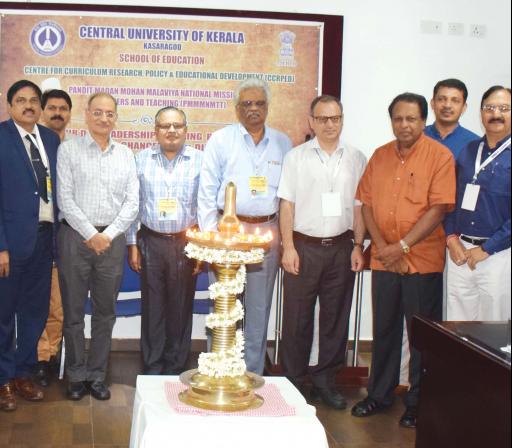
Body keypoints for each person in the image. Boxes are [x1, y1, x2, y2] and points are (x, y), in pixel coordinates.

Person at [352, 92, 455, 429]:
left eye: (411, 119)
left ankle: (417, 402)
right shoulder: (380, 156)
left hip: (422, 261)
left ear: (423, 121)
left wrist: (403, 247)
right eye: (398, 118)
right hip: (384, 260)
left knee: (420, 336)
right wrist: (384, 248)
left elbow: (438, 209)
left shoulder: (440, 156)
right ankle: (378, 395)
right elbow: (366, 203)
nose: (404, 125)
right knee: (384, 330)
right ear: (391, 121)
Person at [197, 79, 292, 375]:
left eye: (259, 103)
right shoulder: (221, 140)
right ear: (237, 109)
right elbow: (207, 190)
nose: (253, 109)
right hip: (228, 232)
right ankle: (217, 367)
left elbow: (289, 195)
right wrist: (212, 239)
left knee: (259, 308)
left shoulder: (282, 142)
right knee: (224, 304)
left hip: (267, 232)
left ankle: (251, 373)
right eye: (247, 104)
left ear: (267, 107)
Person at [277, 95, 367, 409]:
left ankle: (326, 382)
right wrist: (287, 247)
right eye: (323, 118)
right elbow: (286, 205)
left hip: (341, 248)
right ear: (312, 121)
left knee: (335, 319)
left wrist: (358, 245)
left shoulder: (356, 157)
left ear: (342, 119)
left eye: (336, 118)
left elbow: (359, 207)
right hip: (304, 247)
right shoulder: (296, 158)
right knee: (296, 319)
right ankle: (293, 382)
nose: (330, 124)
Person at [0, 80, 60, 411]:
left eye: (34, 101)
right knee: (2, 314)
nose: (28, 106)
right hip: (9, 245)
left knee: (34, 312)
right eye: (21, 100)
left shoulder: (51, 139)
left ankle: (24, 372)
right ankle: (1, 380)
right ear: (9, 106)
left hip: (43, 240)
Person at [57, 92, 138, 401]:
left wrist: (110, 234)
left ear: (116, 118)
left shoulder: (126, 154)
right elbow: (65, 198)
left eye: (110, 113)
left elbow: (132, 203)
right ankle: (76, 375)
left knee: (106, 313)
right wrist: (92, 233)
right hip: (75, 239)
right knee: (74, 313)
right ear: (87, 115)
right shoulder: (69, 150)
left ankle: (97, 375)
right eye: (98, 112)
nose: (104, 118)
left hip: (112, 242)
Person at [126, 106, 203, 375]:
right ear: (155, 130)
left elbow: (204, 207)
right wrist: (132, 244)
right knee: (153, 306)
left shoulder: (200, 160)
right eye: (165, 126)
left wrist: (201, 249)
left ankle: (176, 366)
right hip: (151, 241)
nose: (171, 131)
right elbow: (133, 205)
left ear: (185, 129)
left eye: (177, 125)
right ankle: (152, 365)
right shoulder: (140, 159)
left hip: (186, 242)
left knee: (181, 306)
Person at [444, 86, 511, 321]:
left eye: (504, 108)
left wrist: (486, 249)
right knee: (457, 327)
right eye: (490, 107)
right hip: (460, 252)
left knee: (494, 328)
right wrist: (451, 237)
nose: (496, 114)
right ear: (481, 113)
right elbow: (452, 199)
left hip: (498, 256)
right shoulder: (469, 150)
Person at [33, 88, 73, 387]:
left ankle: (52, 353)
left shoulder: (72, 148)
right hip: (34, 233)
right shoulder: (32, 146)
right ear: (42, 111)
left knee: (57, 303)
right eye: (52, 108)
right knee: (37, 302)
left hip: (63, 236)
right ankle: (39, 356)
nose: (58, 113)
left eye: (63, 108)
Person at [424, 78, 480, 159]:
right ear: (432, 103)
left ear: (464, 107)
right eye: (442, 99)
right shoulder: (417, 137)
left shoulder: (475, 144)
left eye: (455, 101)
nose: (447, 105)